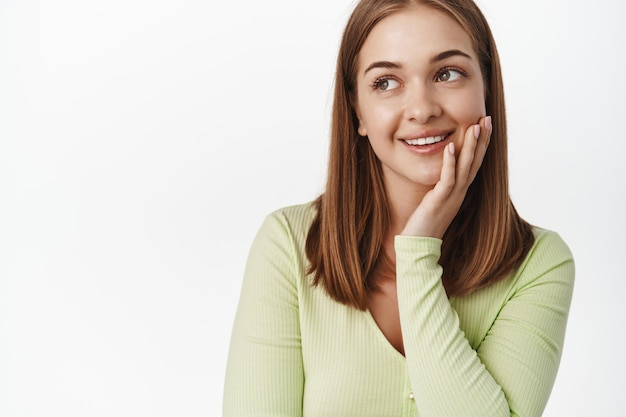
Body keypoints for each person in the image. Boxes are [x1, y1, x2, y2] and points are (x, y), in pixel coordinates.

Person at [222, 0, 575, 416]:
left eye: (447, 74)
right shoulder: (288, 245)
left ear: (486, 89)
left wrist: (417, 254)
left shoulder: (540, 264)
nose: (422, 109)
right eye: (386, 82)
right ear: (357, 111)